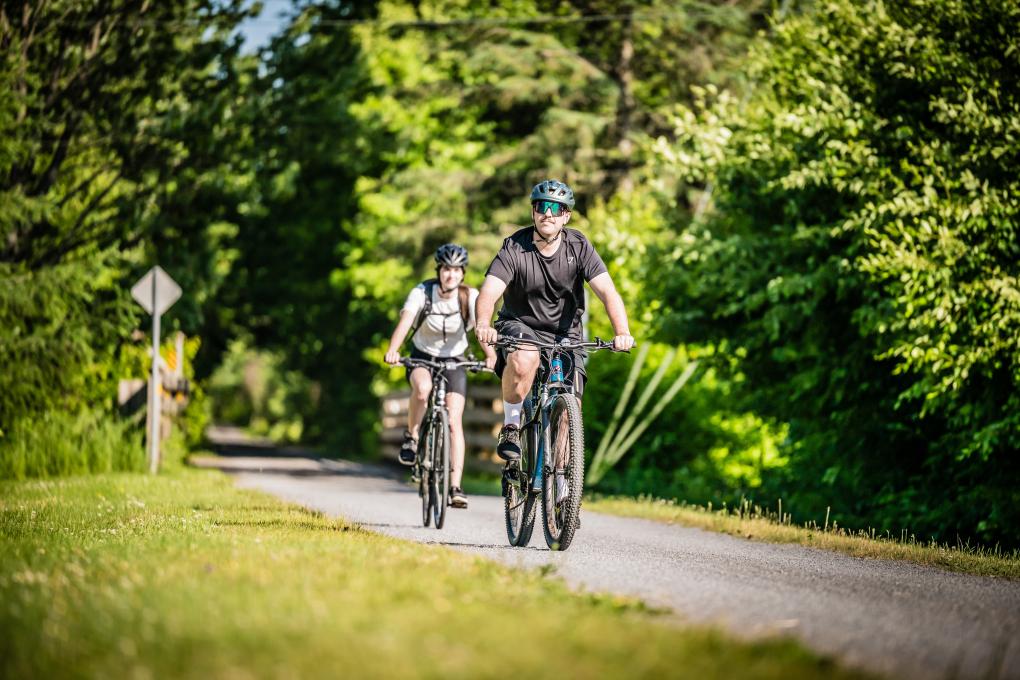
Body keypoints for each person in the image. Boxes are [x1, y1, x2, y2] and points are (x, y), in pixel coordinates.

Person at [474, 180, 635, 472]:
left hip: (566, 334)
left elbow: (608, 292)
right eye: (541, 206)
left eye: (555, 208)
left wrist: (622, 332)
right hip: (520, 325)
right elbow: (489, 291)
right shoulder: (515, 247)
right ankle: (511, 427)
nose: (547, 213)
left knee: (569, 409)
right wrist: (484, 324)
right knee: (526, 357)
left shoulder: (579, 246)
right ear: (533, 212)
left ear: (566, 216)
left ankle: (561, 483)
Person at [384, 244, 496, 509]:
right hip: (422, 357)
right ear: (439, 271)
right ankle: (412, 437)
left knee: (454, 420)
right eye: (446, 269)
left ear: (463, 273)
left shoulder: (469, 297)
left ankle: (455, 487)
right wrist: (393, 349)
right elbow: (405, 322)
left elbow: (481, 330)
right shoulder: (422, 293)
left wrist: (491, 355)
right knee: (422, 389)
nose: (451, 275)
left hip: (455, 360)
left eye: (456, 270)